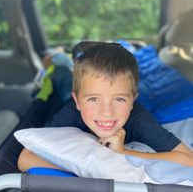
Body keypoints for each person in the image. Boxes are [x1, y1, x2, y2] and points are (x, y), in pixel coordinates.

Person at [18, 42, 193, 172]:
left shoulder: (138, 119)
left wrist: (123, 152)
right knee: (62, 77)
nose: (106, 112)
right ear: (78, 102)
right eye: (94, 99)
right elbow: (25, 158)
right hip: (70, 95)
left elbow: (188, 159)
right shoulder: (70, 114)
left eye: (119, 99)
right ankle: (58, 58)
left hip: (96, 97)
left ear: (133, 101)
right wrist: (88, 168)